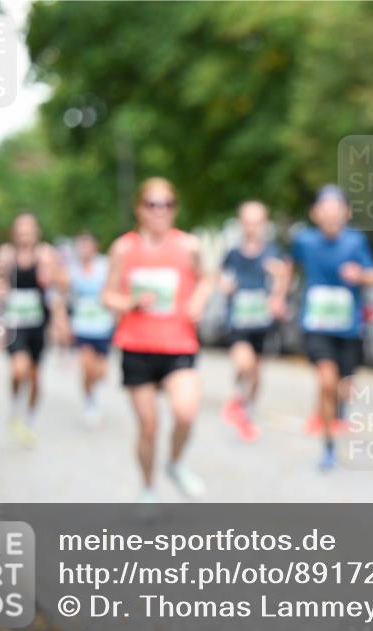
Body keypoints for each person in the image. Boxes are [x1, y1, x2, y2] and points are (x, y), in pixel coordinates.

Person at [103, 177, 206, 502]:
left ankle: (174, 464)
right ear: (139, 209)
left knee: (186, 412)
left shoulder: (189, 246)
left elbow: (206, 280)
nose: (160, 210)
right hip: (137, 347)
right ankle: (148, 488)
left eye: (167, 204)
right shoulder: (123, 247)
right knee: (149, 428)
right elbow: (107, 295)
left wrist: (199, 301)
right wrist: (130, 302)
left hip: (178, 345)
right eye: (152, 204)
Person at [291, 185, 373, 471]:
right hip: (316, 325)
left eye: (336, 209)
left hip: (349, 328)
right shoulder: (303, 241)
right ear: (315, 213)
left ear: (347, 213)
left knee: (344, 389)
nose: (331, 215)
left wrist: (360, 275)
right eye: (325, 209)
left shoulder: (356, 242)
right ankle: (328, 446)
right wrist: (277, 296)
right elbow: (288, 269)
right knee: (327, 381)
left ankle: (339, 409)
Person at [202, 201, 290, 442]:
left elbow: (284, 277)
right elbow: (218, 275)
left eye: (257, 222)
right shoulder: (232, 253)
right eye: (248, 222)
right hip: (238, 320)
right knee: (244, 364)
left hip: (262, 322)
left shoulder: (273, 251)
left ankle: (247, 407)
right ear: (242, 224)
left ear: (264, 224)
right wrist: (223, 285)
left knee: (257, 370)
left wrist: (278, 294)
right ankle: (238, 399)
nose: (252, 227)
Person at [0, 213, 70, 444]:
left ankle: (29, 417)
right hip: (15, 323)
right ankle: (16, 404)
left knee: (36, 377)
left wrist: (61, 321)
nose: (25, 233)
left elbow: (63, 285)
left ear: (36, 231)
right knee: (19, 370)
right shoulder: (6, 255)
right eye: (20, 229)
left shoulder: (46, 254)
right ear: (14, 232)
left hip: (38, 324)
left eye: (29, 229)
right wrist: (0, 290)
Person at [68, 231, 115, 426]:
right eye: (81, 246)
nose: (84, 250)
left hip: (104, 325)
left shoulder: (105, 266)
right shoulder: (72, 270)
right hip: (82, 326)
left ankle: (92, 391)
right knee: (86, 367)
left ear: (95, 247)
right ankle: (89, 402)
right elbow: (63, 295)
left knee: (101, 372)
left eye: (87, 246)